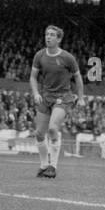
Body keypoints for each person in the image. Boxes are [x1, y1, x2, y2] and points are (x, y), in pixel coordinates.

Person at [30, 25, 84, 179]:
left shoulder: (67, 57)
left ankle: (53, 166)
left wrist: (80, 98)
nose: (48, 37)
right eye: (47, 34)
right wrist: (35, 93)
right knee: (39, 133)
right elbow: (33, 77)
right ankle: (43, 166)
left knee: (53, 129)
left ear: (59, 39)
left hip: (63, 97)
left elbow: (78, 77)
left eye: (52, 35)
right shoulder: (39, 55)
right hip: (45, 97)